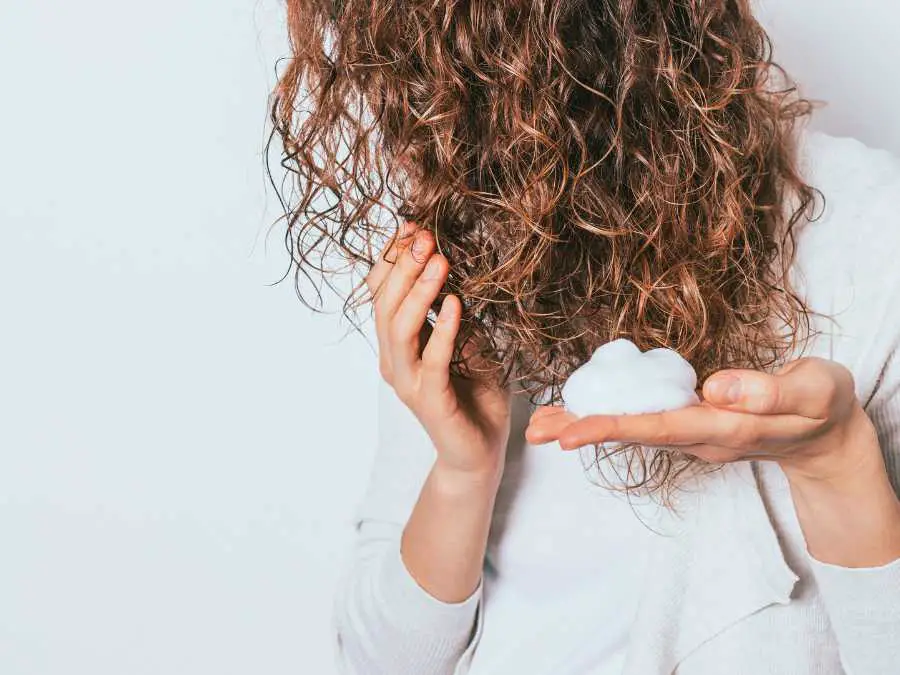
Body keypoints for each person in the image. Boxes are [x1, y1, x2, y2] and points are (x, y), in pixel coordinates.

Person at [268, 2, 900, 673]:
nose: (410, 142)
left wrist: (834, 462)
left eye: (472, 85)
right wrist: (461, 470)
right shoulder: (475, 232)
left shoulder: (867, 242)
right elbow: (379, 660)